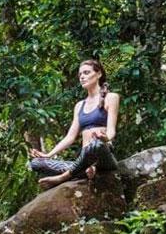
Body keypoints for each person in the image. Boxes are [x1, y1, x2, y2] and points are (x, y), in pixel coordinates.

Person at [28, 60, 120, 189]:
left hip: (103, 156)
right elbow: (70, 137)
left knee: (95, 145)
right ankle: (86, 171)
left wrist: (105, 138)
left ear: (98, 74)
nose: (82, 77)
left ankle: (65, 176)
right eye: (80, 74)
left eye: (86, 73)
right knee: (36, 163)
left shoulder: (111, 97)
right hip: (84, 161)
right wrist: (48, 154)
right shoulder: (79, 106)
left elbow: (111, 131)